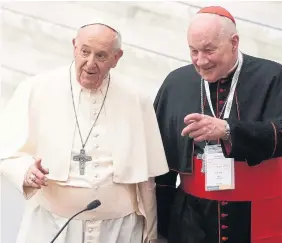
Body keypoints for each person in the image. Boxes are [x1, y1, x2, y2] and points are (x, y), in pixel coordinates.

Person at [0, 22, 169, 243]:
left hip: (118, 230)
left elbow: (147, 178)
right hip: (54, 225)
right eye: (85, 52)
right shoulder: (36, 88)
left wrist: (151, 233)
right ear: (74, 46)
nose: (90, 63)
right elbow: (6, 150)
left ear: (116, 58)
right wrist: (26, 171)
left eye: (101, 56)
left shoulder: (135, 98)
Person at [154, 6, 282, 243]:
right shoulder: (176, 83)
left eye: (209, 50)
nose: (200, 61)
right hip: (191, 221)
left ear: (234, 43)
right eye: (194, 51)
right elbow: (160, 163)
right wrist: (158, 229)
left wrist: (229, 130)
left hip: (256, 217)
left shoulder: (274, 76)